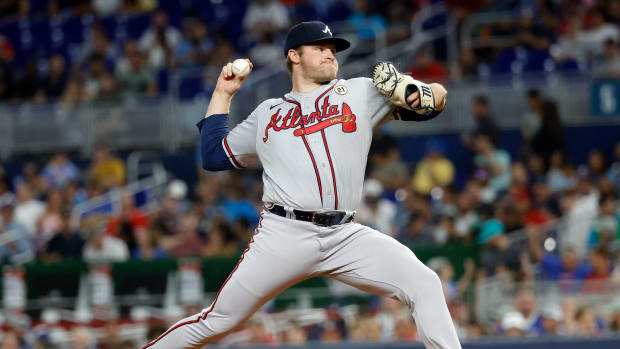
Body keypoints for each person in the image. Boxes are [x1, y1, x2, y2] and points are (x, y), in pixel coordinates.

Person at [143, 21, 458, 349]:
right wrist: (223, 92)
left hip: (344, 234)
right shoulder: (267, 113)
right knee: (218, 321)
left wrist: (405, 86)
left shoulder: (359, 92)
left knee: (425, 283)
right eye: (320, 48)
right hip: (283, 234)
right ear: (294, 55)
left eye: (332, 50)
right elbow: (212, 155)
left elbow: (436, 102)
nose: (329, 55)